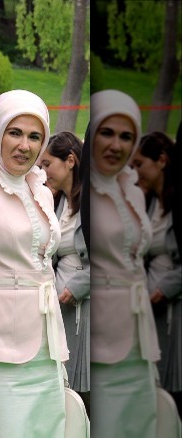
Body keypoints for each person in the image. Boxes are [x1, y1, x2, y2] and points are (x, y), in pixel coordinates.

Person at [0, 90, 70, 437]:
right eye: (14, 132)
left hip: (46, 344)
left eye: (34, 136)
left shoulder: (44, 191)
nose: (24, 145)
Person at [89, 89, 159, 438]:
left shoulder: (132, 189)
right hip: (101, 338)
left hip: (139, 333)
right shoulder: (81, 187)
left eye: (126, 136)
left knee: (141, 422)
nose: (116, 145)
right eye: (107, 132)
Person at [39, 131, 90, 408]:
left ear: (70, 160)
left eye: (47, 164)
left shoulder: (93, 202)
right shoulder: (57, 202)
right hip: (60, 307)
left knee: (87, 392)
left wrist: (77, 286)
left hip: (86, 308)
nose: (43, 171)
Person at [133, 131, 181, 415]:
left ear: (161, 161)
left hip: (173, 303)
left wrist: (167, 288)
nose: (134, 171)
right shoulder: (148, 202)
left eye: (140, 164)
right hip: (150, 306)